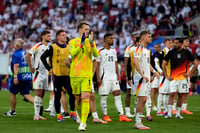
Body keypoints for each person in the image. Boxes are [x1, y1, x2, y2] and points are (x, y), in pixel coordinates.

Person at [69, 21, 98, 131]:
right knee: (77, 99)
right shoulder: (73, 42)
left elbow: (95, 54)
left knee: (85, 97)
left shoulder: (91, 42)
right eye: (85, 29)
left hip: (86, 74)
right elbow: (72, 54)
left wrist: (91, 44)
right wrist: (81, 44)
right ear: (80, 30)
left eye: (88, 29)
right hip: (75, 74)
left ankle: (83, 123)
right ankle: (81, 118)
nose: (87, 31)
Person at [41, 29, 76, 122]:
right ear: (58, 37)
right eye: (63, 35)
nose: (65, 36)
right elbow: (42, 57)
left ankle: (72, 112)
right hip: (57, 75)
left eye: (65, 35)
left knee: (72, 94)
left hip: (67, 74)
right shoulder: (53, 47)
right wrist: (49, 68)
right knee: (57, 95)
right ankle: (59, 115)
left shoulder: (69, 47)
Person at [96, 33, 132, 123]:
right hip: (104, 77)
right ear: (106, 40)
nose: (112, 40)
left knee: (118, 95)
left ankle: (122, 115)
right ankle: (105, 115)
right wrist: (98, 77)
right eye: (110, 38)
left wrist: (118, 76)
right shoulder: (100, 51)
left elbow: (116, 63)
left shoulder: (113, 50)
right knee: (104, 96)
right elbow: (97, 65)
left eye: (113, 38)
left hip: (113, 77)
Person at [162, 38, 198, 119]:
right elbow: (163, 63)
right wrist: (166, 75)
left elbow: (195, 63)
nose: (175, 44)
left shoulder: (187, 52)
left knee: (181, 95)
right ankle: (169, 113)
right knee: (171, 94)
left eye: (177, 43)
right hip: (173, 78)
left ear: (181, 44)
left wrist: (189, 74)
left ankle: (178, 113)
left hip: (183, 78)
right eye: (174, 43)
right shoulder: (171, 52)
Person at [133, 31, 159, 129]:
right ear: (143, 38)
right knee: (142, 99)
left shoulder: (146, 50)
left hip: (146, 78)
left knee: (143, 99)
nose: (151, 38)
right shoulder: (139, 49)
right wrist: (142, 75)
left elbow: (147, 64)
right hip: (141, 79)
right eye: (149, 36)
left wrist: (154, 71)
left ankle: (138, 121)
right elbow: (135, 61)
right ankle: (138, 122)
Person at [3, 38, 34, 116]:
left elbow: (16, 66)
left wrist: (15, 77)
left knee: (12, 92)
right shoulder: (27, 53)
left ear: (16, 45)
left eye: (14, 44)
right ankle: (38, 105)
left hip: (20, 77)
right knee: (26, 94)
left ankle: (12, 111)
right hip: (28, 76)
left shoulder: (15, 54)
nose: (13, 46)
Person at [26, 30, 51, 120]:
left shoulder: (49, 47)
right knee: (38, 93)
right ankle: (36, 114)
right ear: (43, 37)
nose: (50, 37)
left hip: (46, 73)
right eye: (48, 36)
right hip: (38, 72)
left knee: (43, 93)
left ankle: (39, 114)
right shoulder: (38, 45)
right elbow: (28, 55)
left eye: (50, 36)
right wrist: (31, 67)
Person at [124, 31, 139, 117]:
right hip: (131, 73)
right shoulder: (128, 48)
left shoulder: (141, 49)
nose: (136, 39)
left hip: (138, 73)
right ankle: (127, 111)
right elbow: (126, 61)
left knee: (138, 93)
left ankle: (136, 110)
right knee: (129, 92)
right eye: (135, 37)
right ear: (132, 39)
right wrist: (127, 73)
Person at [156, 39, 173, 116]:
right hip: (163, 76)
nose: (171, 44)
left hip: (169, 75)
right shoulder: (163, 52)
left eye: (171, 43)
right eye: (169, 43)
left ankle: (165, 110)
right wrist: (160, 71)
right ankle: (159, 111)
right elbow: (156, 62)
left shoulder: (171, 52)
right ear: (165, 44)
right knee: (161, 93)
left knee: (166, 93)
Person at [181, 37, 194, 114]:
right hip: (178, 74)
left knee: (186, 91)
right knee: (177, 92)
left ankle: (184, 108)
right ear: (182, 42)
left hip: (186, 74)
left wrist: (189, 72)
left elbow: (191, 62)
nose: (188, 42)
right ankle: (173, 108)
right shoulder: (178, 50)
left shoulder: (189, 51)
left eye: (188, 41)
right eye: (186, 41)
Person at [151, 43, 162, 112]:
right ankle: (154, 105)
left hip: (161, 74)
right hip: (156, 74)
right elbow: (152, 65)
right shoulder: (153, 55)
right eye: (155, 47)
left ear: (160, 47)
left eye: (157, 47)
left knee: (159, 90)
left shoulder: (162, 54)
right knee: (154, 89)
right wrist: (154, 73)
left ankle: (159, 105)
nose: (156, 49)